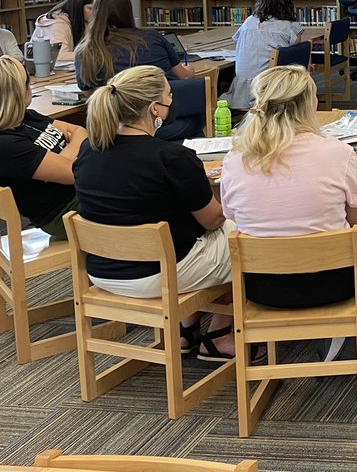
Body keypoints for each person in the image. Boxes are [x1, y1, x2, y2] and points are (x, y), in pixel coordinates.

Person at [219, 65, 357, 360]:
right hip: (333, 283)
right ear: (308, 104)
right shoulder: (337, 153)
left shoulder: (235, 158)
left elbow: (233, 218)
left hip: (259, 285)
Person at [72, 65, 239, 362]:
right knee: (242, 235)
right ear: (154, 110)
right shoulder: (171, 158)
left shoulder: (89, 149)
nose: (172, 102)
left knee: (192, 237)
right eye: (168, 96)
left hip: (102, 272)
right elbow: (213, 219)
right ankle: (219, 335)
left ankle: (186, 329)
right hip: (154, 275)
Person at [74, 0, 198, 140]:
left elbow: (90, 93)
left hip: (115, 129)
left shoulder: (86, 50)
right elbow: (183, 76)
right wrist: (190, 71)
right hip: (166, 124)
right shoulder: (152, 37)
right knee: (197, 116)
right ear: (128, 12)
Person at [0, 55, 85, 240]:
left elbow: (79, 130)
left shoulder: (26, 117)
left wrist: (65, 157)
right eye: (27, 82)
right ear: (16, 91)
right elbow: (73, 173)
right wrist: (71, 154)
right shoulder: (6, 144)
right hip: (63, 212)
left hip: (81, 192)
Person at [223, 0, 303, 110]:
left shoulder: (248, 22)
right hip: (271, 89)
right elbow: (295, 57)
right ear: (288, 1)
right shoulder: (290, 28)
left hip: (241, 91)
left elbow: (239, 42)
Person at [29, 0, 98, 64]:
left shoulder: (82, 21)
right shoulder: (58, 23)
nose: (95, 13)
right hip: (44, 70)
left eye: (97, 9)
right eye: (90, 8)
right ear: (78, 7)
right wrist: (94, 55)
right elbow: (60, 56)